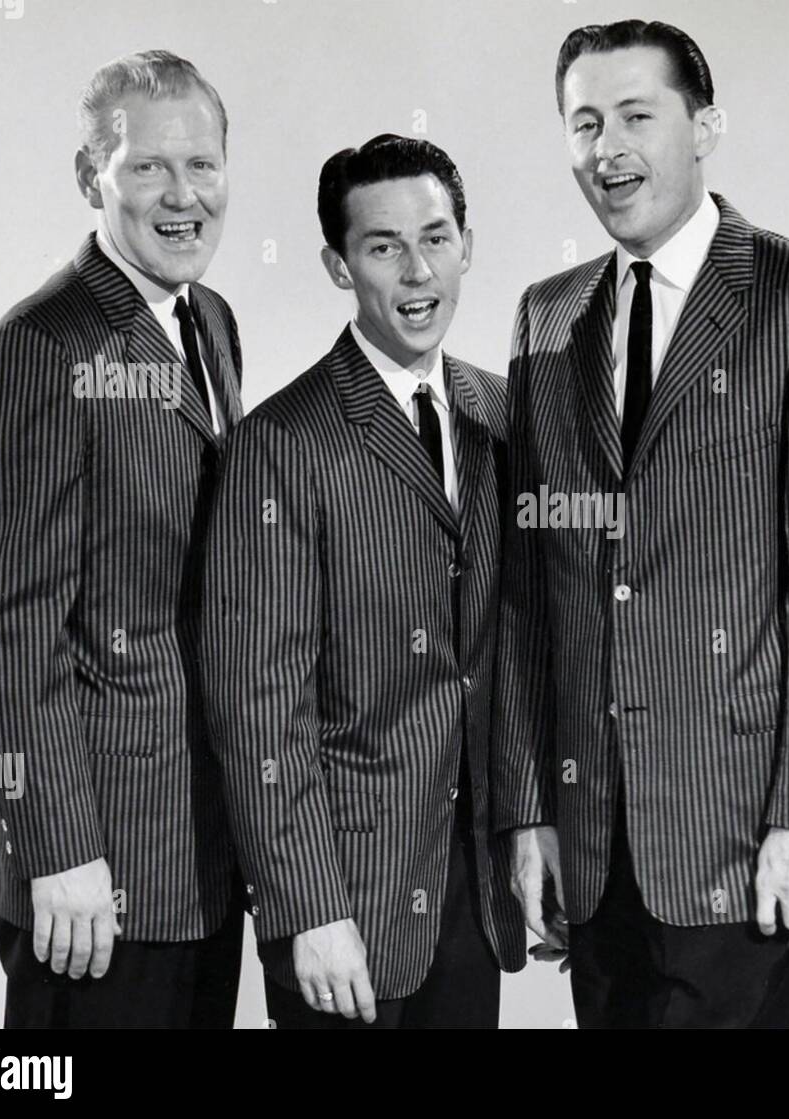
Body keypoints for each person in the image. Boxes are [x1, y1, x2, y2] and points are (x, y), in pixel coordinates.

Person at [495, 19, 789, 1028]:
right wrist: (527, 809)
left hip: (742, 842)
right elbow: (526, 596)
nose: (608, 149)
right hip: (591, 846)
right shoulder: (545, 316)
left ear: (704, 126)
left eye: (637, 115)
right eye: (584, 122)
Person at [200, 135, 525, 1029]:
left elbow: (519, 645)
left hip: (470, 893)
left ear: (467, 243)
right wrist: (307, 907)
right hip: (347, 898)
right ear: (339, 266)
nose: (418, 271)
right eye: (383, 247)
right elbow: (256, 700)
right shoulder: (282, 444)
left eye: (437, 237)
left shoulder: (499, 414)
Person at [0, 50, 244, 1028]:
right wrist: (59, 848)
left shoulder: (209, 320)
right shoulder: (42, 348)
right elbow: (5, 629)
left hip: (199, 861)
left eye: (201, 166)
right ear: (92, 179)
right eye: (149, 168)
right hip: (95, 880)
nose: (182, 196)